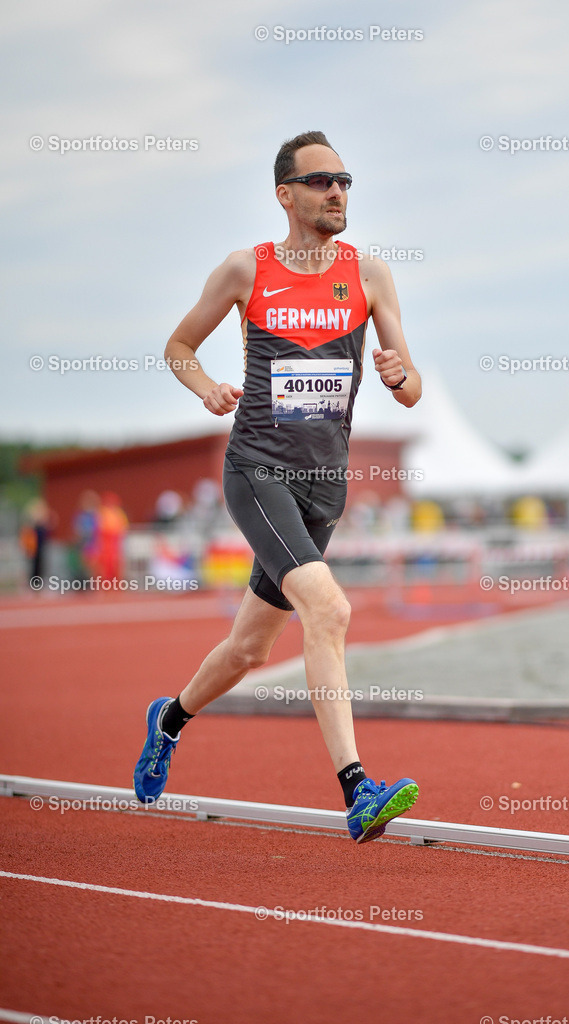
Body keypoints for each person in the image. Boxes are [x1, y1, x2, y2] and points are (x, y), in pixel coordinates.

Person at [134, 131, 422, 843]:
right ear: (285, 194)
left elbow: (411, 385)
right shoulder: (246, 269)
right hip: (258, 470)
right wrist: (205, 387)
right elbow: (178, 346)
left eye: (345, 181)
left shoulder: (369, 274)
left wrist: (399, 376)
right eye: (322, 181)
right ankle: (357, 789)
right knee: (328, 608)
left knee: (249, 651)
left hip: (326, 486)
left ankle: (169, 719)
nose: (337, 192)